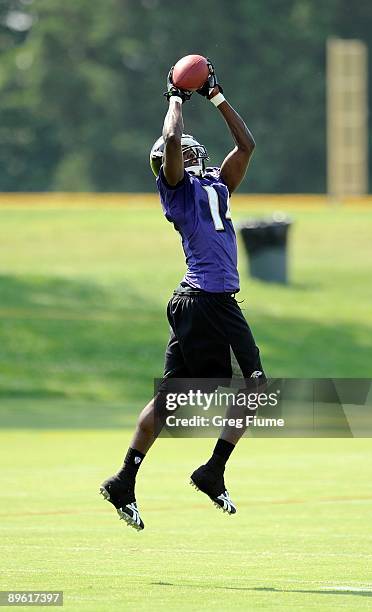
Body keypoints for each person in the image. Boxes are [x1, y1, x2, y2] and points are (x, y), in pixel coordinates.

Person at [100, 60, 266, 530]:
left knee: (171, 399)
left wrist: (215, 94)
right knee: (253, 385)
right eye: (191, 152)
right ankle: (212, 470)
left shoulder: (217, 187)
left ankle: (123, 481)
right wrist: (175, 96)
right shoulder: (178, 191)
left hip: (200, 302)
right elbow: (172, 141)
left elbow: (247, 145)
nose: (197, 154)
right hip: (209, 301)